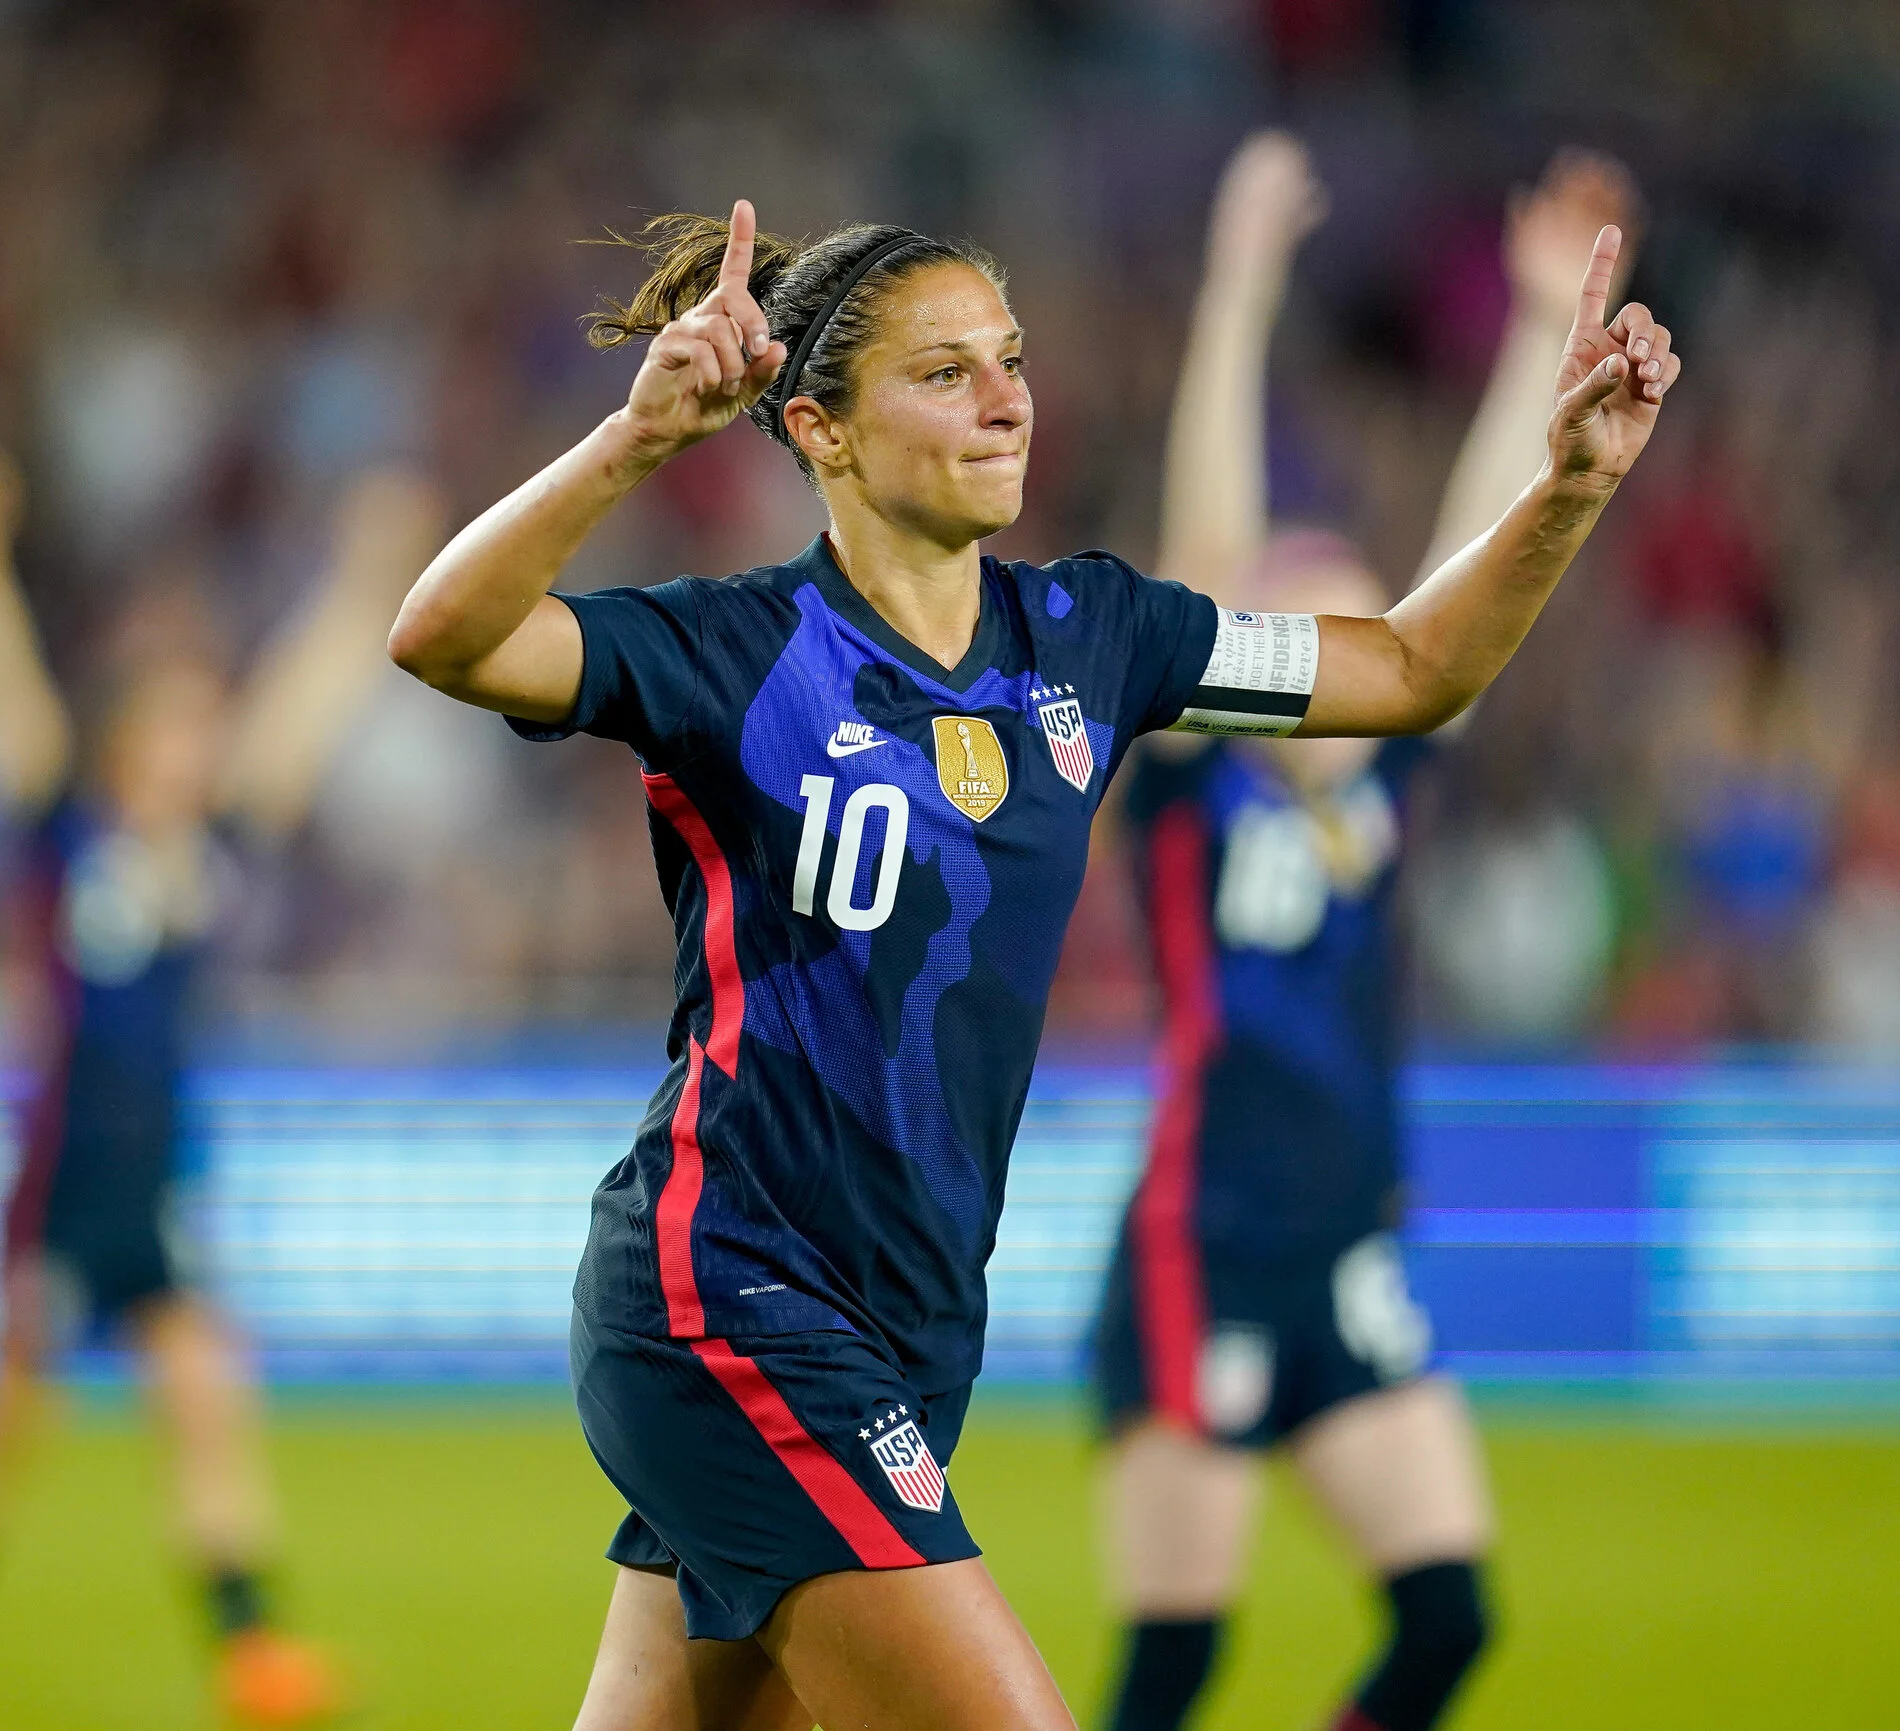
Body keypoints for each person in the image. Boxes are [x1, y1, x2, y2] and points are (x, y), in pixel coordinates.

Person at [386, 192, 1674, 1731]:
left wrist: (1572, 484)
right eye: (944, 372)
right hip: (731, 1290)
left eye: (1010, 358)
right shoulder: (733, 651)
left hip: (913, 1319)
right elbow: (445, 636)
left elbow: (1406, 664)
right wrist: (635, 443)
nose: (1007, 397)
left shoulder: (1097, 638)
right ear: (823, 430)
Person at [1088, 136, 1641, 1731]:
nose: (1343, 651)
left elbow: (1474, 577)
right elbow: (1202, 559)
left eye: (1354, 623)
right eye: (1304, 628)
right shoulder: (1197, 787)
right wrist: (1240, 287)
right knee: (1177, 1661)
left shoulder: (1389, 772)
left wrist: (1547, 328)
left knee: (1448, 1620)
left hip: (1348, 1246)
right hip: (1208, 1244)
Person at [0, 449, 442, 1731]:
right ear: (128, 742)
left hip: (162, 1178)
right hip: (60, 1181)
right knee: (3, 1420)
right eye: (178, 726)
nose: (202, 745)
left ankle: (252, 1656)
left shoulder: (220, 849)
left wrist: (365, 575)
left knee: (205, 1405)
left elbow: (307, 706)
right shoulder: (61, 829)